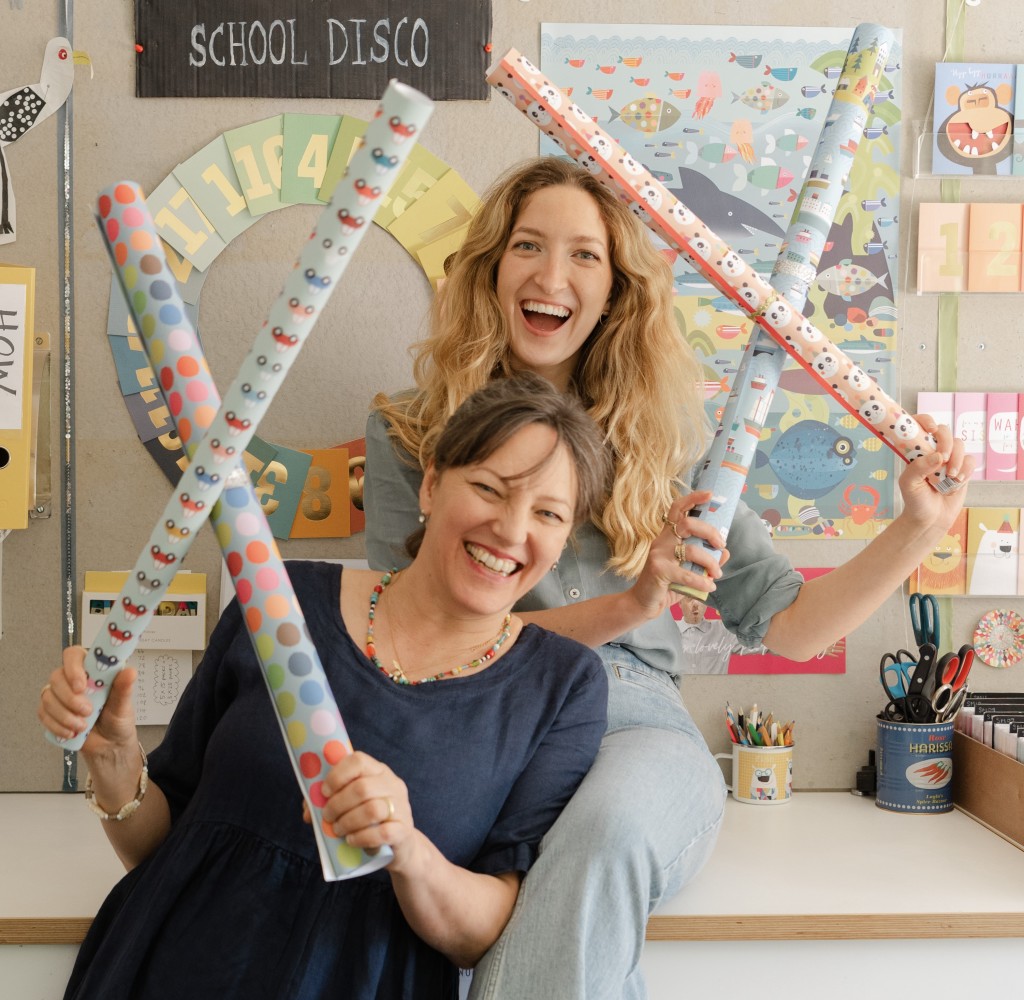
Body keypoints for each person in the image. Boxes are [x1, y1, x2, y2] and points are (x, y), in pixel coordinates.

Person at [364, 156, 974, 999]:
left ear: (616, 288)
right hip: (476, 715)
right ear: (489, 268)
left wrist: (918, 528)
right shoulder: (410, 430)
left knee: (608, 834)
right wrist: (632, 603)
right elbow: (409, 635)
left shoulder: (671, 445)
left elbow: (793, 628)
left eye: (585, 255)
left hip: (631, 722)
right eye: (528, 246)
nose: (552, 275)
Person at [38, 374, 612, 1000]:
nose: (510, 529)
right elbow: (166, 847)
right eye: (487, 488)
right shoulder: (280, 598)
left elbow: (483, 934)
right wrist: (113, 756)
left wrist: (405, 848)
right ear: (430, 483)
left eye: (548, 514)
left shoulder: (563, 687)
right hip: (170, 965)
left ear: (564, 542)